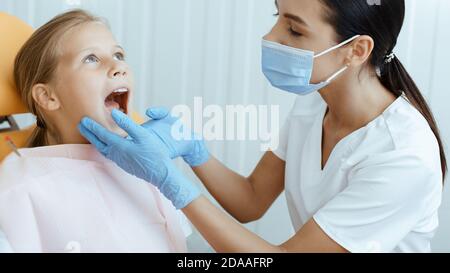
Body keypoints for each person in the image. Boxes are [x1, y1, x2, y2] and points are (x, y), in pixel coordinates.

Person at [79, 0, 446, 253]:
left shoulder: (402, 156)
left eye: (295, 30)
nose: (271, 38)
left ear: (357, 50)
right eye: (278, 17)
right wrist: (193, 150)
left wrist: (169, 183)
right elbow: (250, 200)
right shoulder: (315, 102)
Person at [0, 9, 189, 253]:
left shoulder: (149, 169)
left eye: (118, 54)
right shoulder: (19, 187)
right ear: (48, 96)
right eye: (91, 58)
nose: (118, 66)